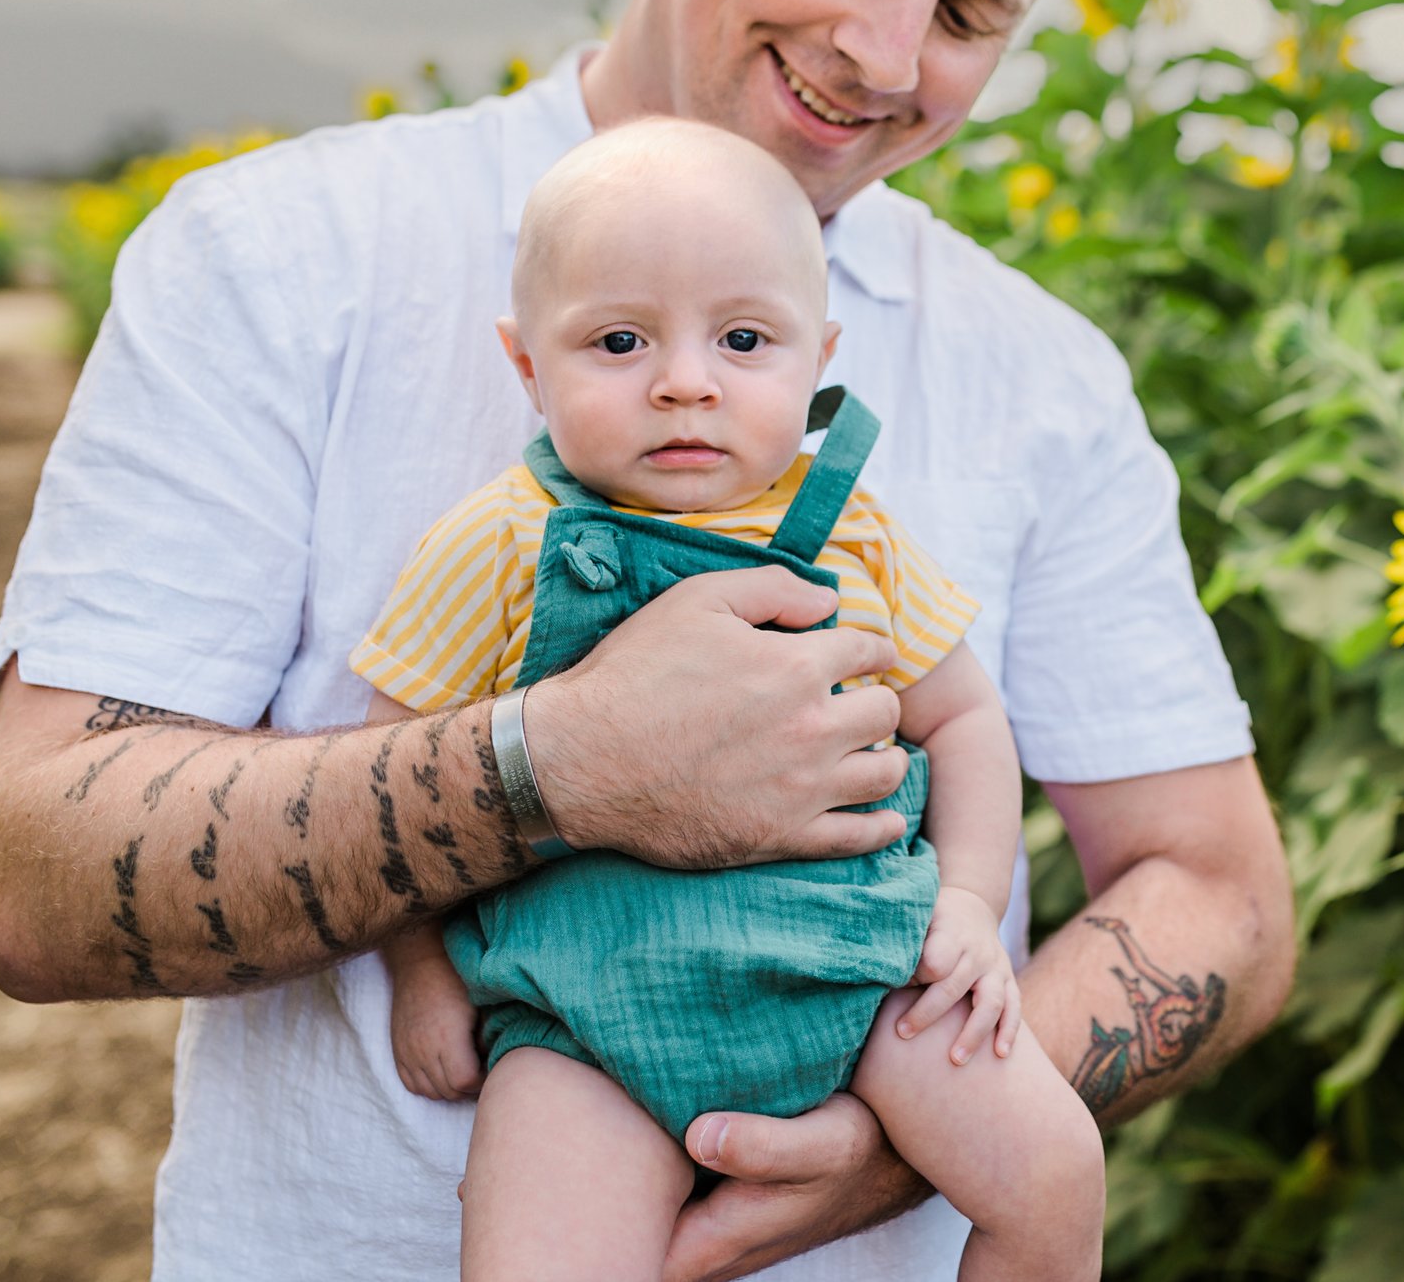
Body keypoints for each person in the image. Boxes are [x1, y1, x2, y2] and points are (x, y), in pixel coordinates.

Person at [0, 0, 1294, 1280]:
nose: (886, 55)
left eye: (965, 9)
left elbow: (1220, 895)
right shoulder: (283, 252)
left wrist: (900, 1131)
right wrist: (561, 763)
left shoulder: (1041, 376)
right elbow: (34, 875)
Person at [366, 116, 1103, 1280]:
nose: (684, 383)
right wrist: (418, 975)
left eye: (744, 338)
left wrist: (969, 901)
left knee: (1054, 1177)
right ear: (526, 365)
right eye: (618, 340)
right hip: (586, 1018)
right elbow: (392, 775)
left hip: (863, 976)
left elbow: (962, 717)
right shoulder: (502, 540)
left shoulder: (851, 528)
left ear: (820, 355)